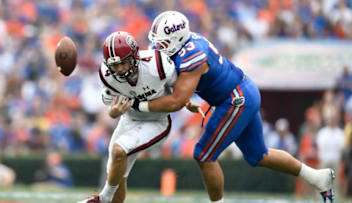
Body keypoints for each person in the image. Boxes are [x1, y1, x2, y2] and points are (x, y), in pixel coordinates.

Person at [131, 11, 335, 203]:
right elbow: (183, 88)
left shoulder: (192, 55)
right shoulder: (185, 43)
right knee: (258, 155)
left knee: (203, 154)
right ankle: (318, 177)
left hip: (236, 99)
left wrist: (139, 105)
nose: (157, 46)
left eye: (163, 42)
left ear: (177, 39)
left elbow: (176, 100)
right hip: (243, 92)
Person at [78, 31, 201, 203]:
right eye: (115, 66)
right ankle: (108, 197)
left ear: (135, 56)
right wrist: (114, 112)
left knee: (119, 150)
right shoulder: (107, 76)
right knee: (118, 177)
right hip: (129, 120)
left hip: (157, 121)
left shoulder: (157, 64)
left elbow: (179, 89)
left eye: (124, 63)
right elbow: (111, 109)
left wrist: (187, 102)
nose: (120, 69)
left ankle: (103, 198)